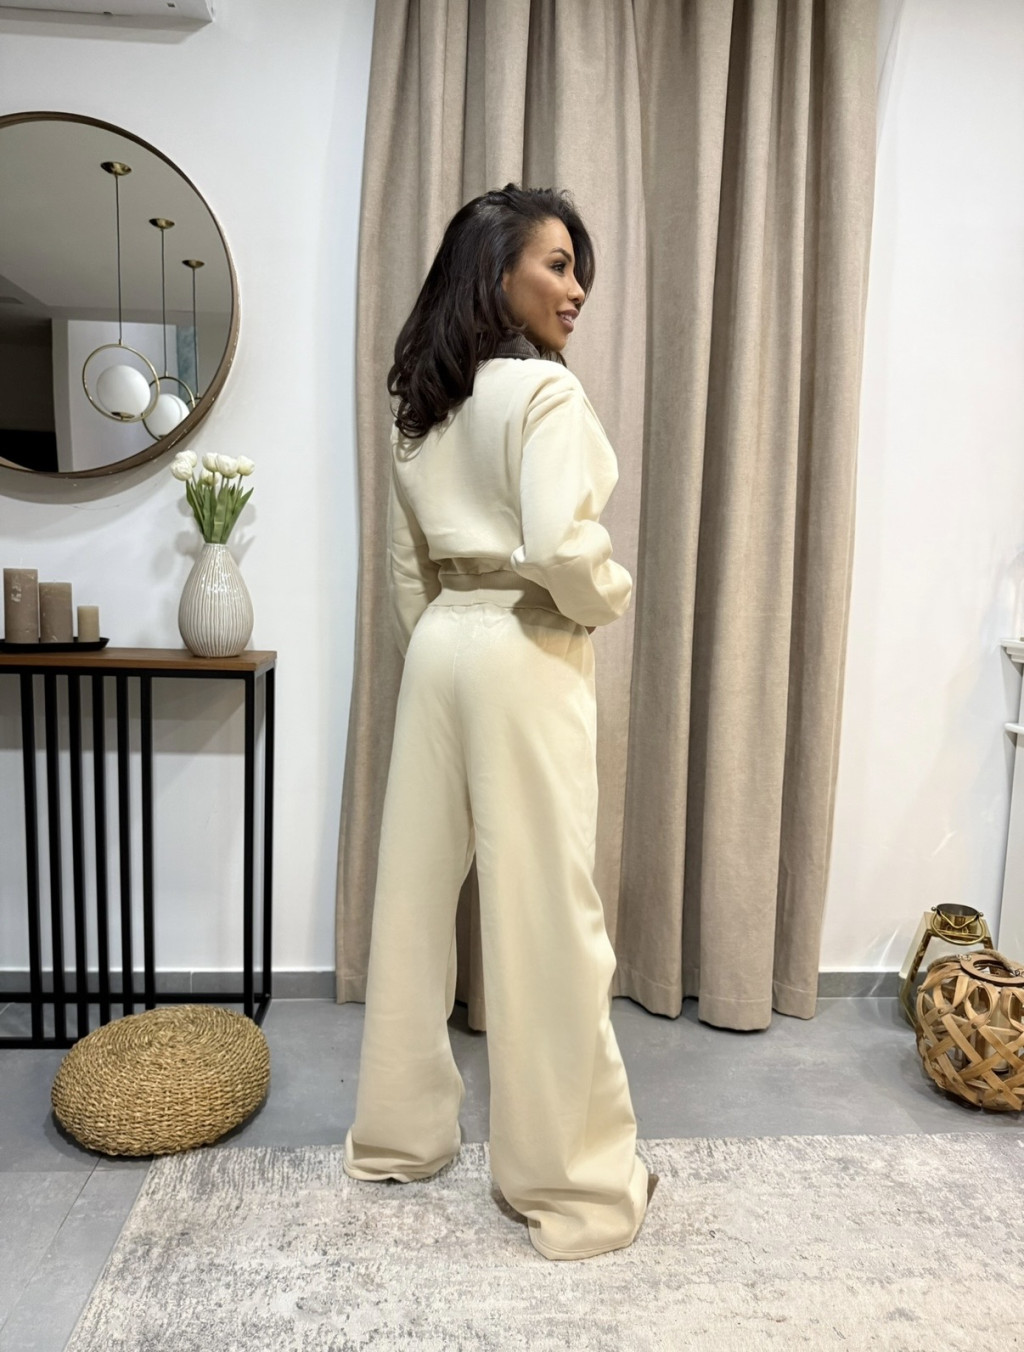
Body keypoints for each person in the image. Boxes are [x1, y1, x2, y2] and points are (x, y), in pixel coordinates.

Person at [342, 184, 655, 1261]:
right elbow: (566, 550)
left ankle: (398, 1138)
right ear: (497, 273)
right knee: (546, 915)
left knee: (412, 900)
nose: (575, 290)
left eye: (577, 272)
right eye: (557, 265)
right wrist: (608, 596)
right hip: (526, 645)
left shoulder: (422, 410)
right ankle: (569, 1185)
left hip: (441, 646)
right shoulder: (545, 396)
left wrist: (444, 643)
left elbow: (406, 573)